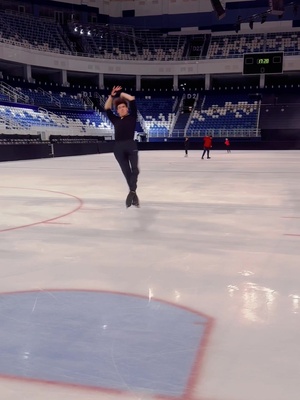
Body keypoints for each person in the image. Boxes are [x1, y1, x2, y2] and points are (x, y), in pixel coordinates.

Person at [104, 85, 139, 208]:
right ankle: (133, 194)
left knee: (135, 169)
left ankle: (132, 191)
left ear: (127, 109)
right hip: (118, 148)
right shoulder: (115, 120)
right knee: (126, 172)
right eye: (119, 107)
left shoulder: (132, 117)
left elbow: (132, 99)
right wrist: (112, 96)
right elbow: (107, 108)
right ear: (117, 111)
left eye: (124, 106)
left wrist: (122, 94)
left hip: (130, 144)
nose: (122, 108)